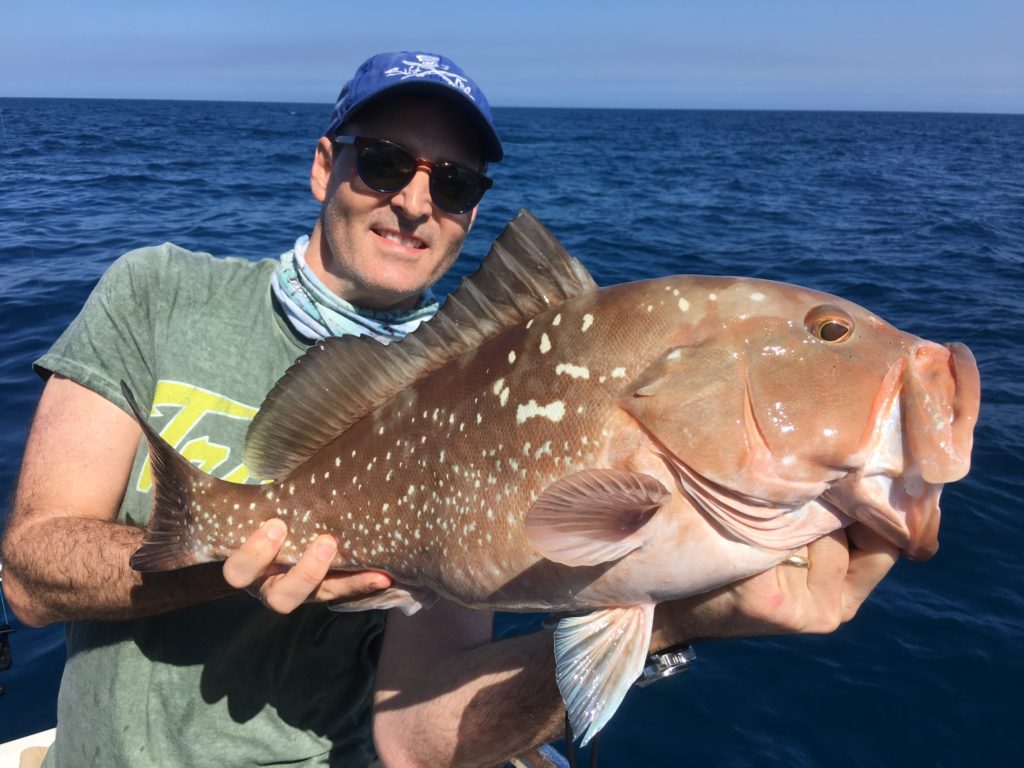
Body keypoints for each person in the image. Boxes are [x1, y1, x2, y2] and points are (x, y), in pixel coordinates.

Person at [0, 51, 899, 768]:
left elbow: (415, 745)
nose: (415, 200)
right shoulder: (156, 293)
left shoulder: (472, 397)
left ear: (473, 211)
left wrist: (679, 611)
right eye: (385, 162)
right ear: (325, 165)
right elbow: (29, 575)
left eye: (456, 184)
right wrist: (228, 553)